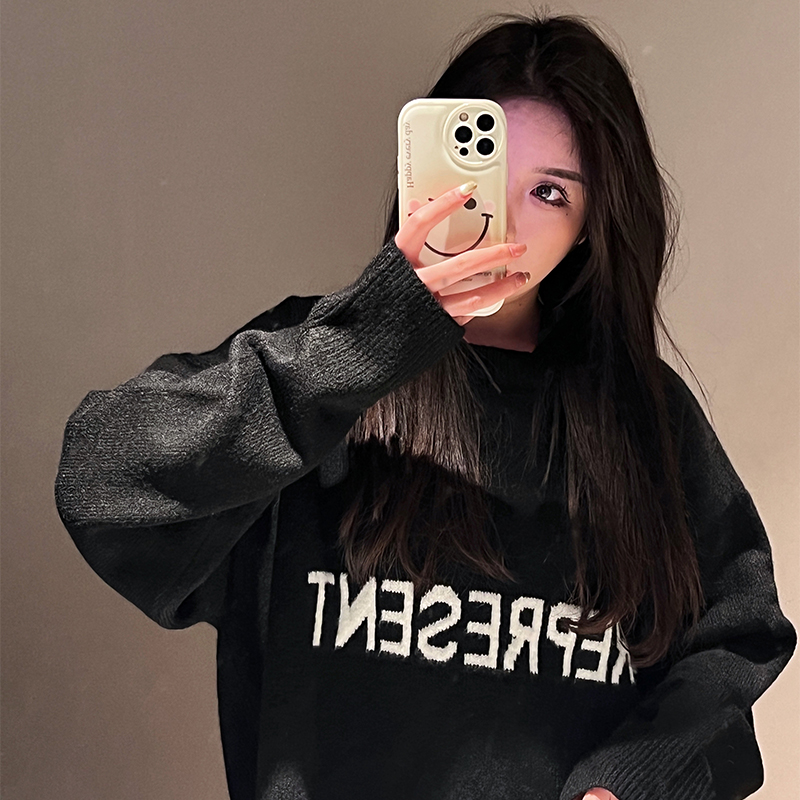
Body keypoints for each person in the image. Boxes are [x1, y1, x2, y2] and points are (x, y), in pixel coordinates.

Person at [54, 12, 795, 800]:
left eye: (549, 192)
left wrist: (632, 785)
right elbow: (104, 485)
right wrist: (374, 336)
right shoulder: (320, 365)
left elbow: (736, 645)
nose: (504, 222)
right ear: (425, 175)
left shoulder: (643, 421)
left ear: (589, 225)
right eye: (481, 177)